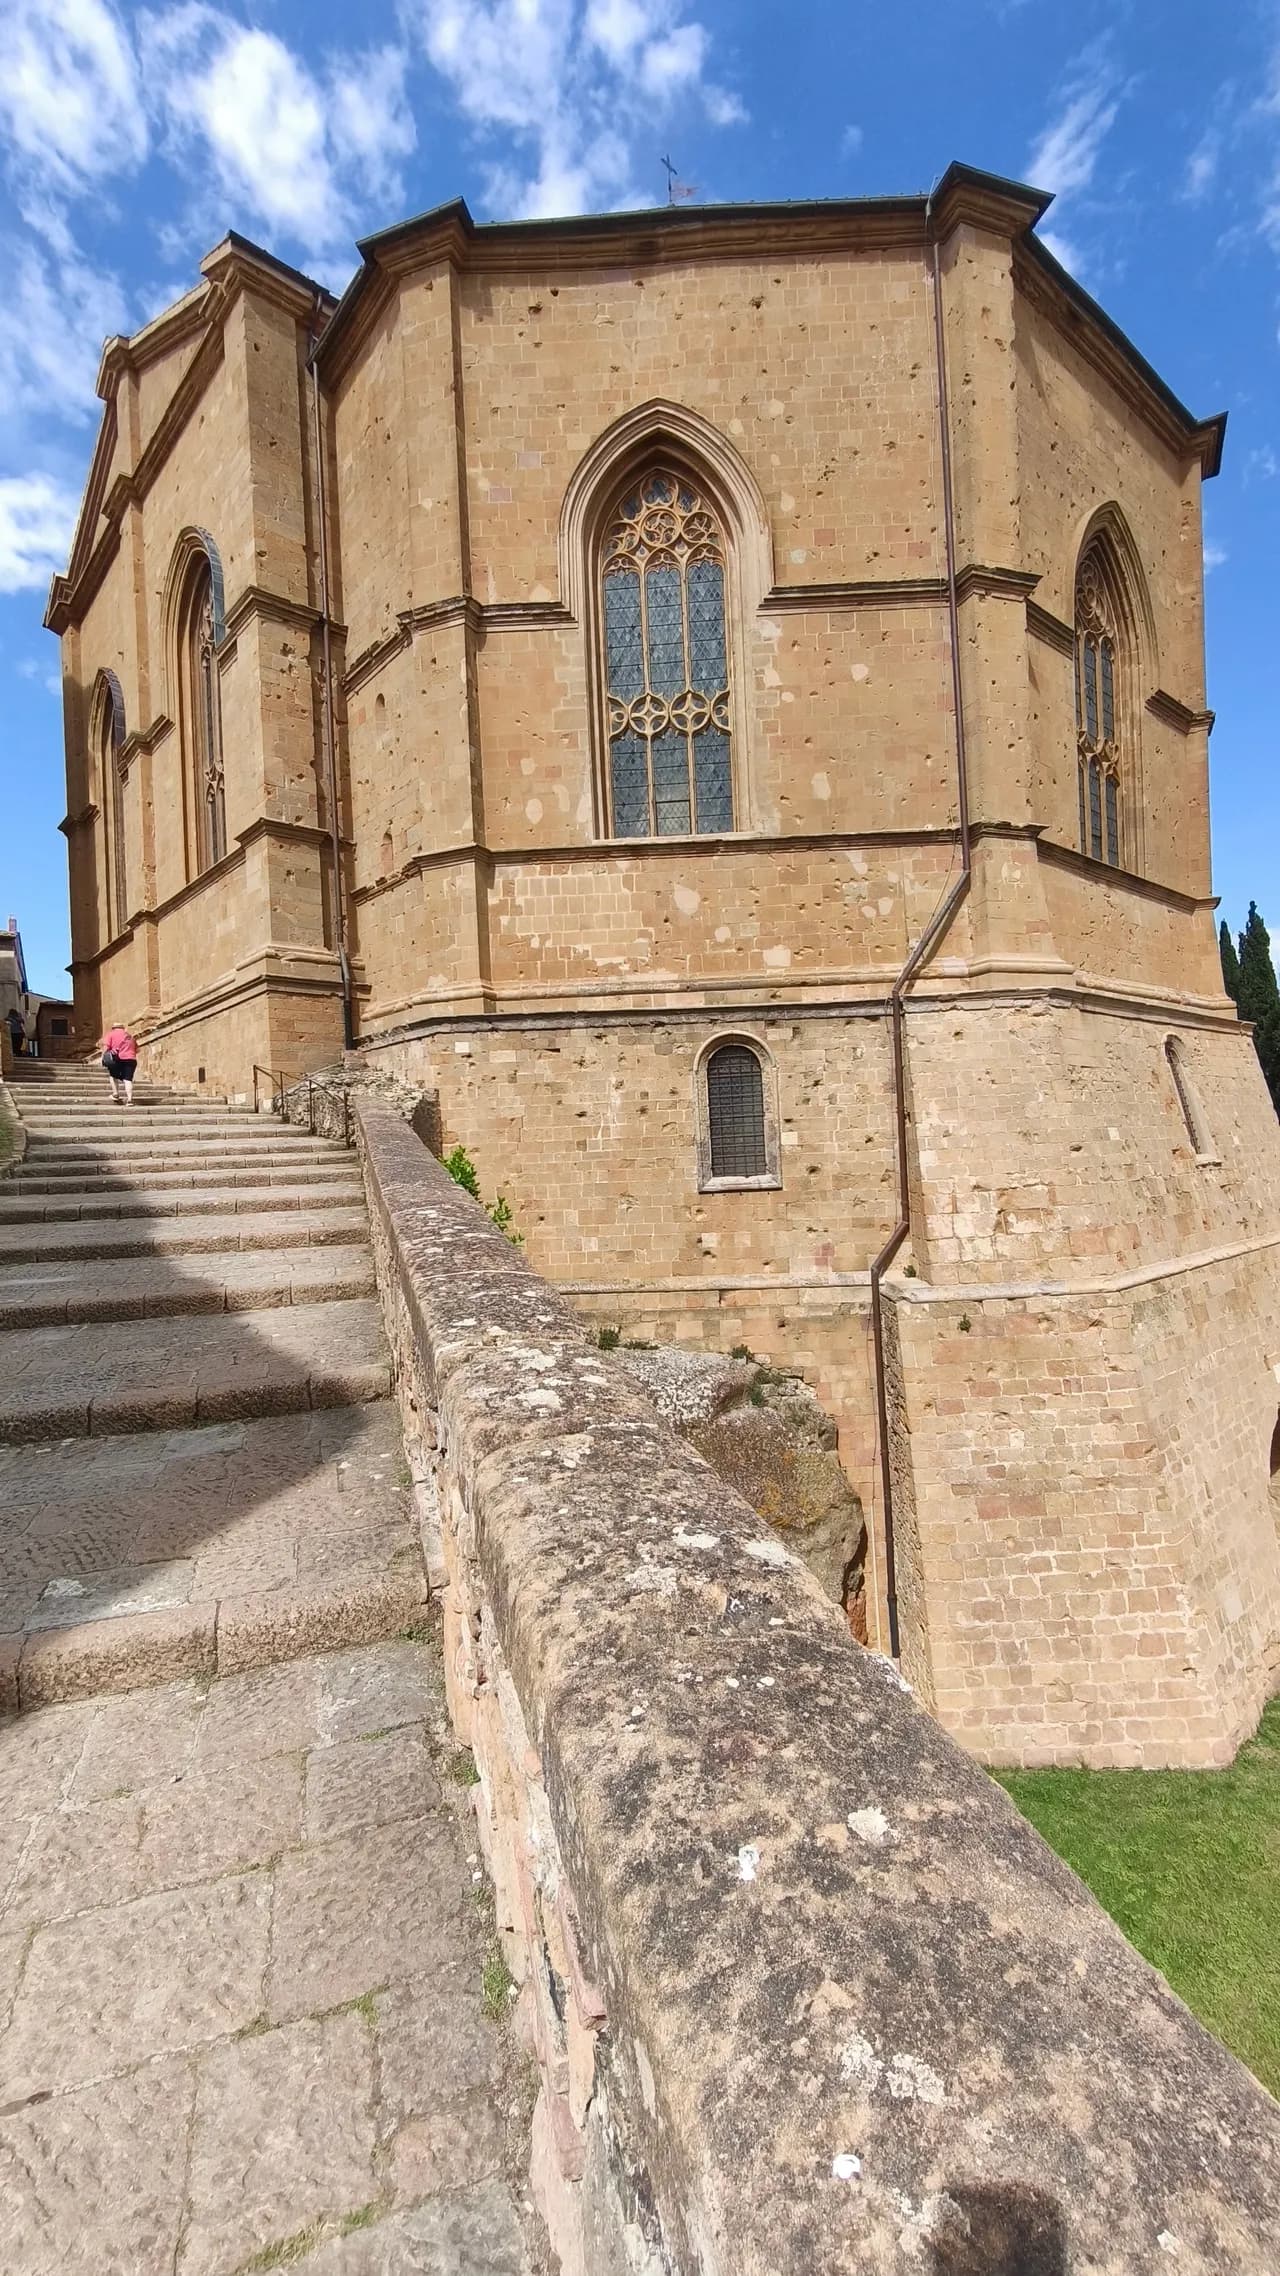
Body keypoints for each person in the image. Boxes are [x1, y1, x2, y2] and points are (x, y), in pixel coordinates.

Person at [99, 1021, 139, 1104]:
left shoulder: (111, 1034)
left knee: (113, 1075)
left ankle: (116, 1094)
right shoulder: (129, 1036)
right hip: (131, 1059)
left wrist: (103, 1057)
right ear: (123, 1028)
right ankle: (130, 1100)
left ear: (113, 1028)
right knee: (128, 1080)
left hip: (117, 1058)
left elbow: (106, 1047)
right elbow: (138, 1050)